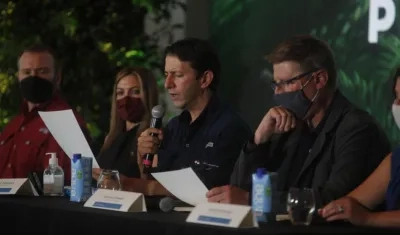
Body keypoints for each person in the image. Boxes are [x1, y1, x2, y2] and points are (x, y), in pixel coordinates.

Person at [206, 35, 391, 208]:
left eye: (286, 82)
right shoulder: (290, 126)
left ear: (319, 79)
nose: (278, 92)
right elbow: (240, 188)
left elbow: (334, 200)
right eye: (276, 84)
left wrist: (254, 199)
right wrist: (259, 140)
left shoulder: (357, 129)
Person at [135, 38, 251, 192]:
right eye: (166, 74)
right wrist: (143, 154)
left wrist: (130, 185)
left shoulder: (230, 128)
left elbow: (205, 188)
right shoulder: (174, 126)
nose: (167, 84)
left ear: (204, 79)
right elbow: (152, 179)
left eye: (177, 75)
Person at [319, 67, 400, 228]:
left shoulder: (358, 126)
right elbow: (350, 204)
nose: (397, 105)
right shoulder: (396, 160)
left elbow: (361, 214)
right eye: (397, 96)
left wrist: (368, 219)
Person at [0, 44, 90, 184]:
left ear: (57, 77)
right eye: (27, 72)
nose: (33, 77)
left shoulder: (67, 124)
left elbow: (72, 185)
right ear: (19, 76)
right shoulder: (14, 125)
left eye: (42, 71)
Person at [95, 67, 159, 178]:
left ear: (148, 94)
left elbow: (151, 183)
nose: (126, 99)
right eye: (120, 93)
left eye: (135, 92)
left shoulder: (153, 139)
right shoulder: (110, 139)